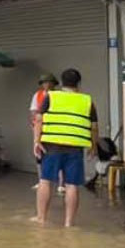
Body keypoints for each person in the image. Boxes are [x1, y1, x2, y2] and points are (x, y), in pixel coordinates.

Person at [33, 67, 99, 228]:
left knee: (46, 181)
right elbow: (94, 127)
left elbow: (39, 120)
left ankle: (41, 218)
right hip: (75, 148)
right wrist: (93, 145)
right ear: (79, 83)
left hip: (51, 145)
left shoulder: (50, 97)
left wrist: (36, 141)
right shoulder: (87, 101)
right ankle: (69, 223)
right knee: (71, 185)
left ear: (61, 83)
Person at [29, 73, 62, 193]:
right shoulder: (37, 95)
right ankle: (40, 180)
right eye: (44, 82)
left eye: (49, 82)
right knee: (39, 154)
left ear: (54, 84)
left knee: (58, 153)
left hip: (55, 128)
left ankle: (61, 183)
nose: (46, 84)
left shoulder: (59, 95)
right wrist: (35, 125)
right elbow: (33, 111)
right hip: (40, 127)